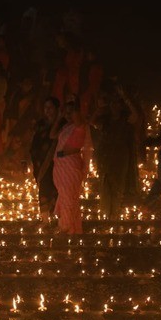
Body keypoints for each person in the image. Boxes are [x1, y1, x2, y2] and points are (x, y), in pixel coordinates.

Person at [94, 84, 140, 220]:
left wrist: (126, 98)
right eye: (112, 103)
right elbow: (92, 122)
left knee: (118, 185)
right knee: (104, 183)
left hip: (120, 157)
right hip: (105, 156)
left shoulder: (125, 119)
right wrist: (100, 107)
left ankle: (114, 215)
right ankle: (106, 214)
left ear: (121, 106)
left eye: (117, 103)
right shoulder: (106, 120)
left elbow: (136, 116)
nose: (114, 106)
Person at [52, 99, 91, 234]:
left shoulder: (79, 128)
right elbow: (52, 135)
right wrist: (59, 117)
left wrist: (76, 101)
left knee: (69, 199)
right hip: (61, 166)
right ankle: (71, 229)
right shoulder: (66, 127)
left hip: (70, 167)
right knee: (65, 198)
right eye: (66, 113)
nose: (69, 115)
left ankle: (67, 229)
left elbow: (78, 119)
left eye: (71, 112)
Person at [29, 96, 60, 226]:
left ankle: (58, 217)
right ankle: (45, 219)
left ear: (56, 109)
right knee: (44, 188)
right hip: (41, 163)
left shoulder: (62, 124)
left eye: (50, 107)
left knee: (56, 188)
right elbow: (35, 142)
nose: (47, 110)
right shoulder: (40, 124)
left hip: (57, 162)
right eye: (45, 108)